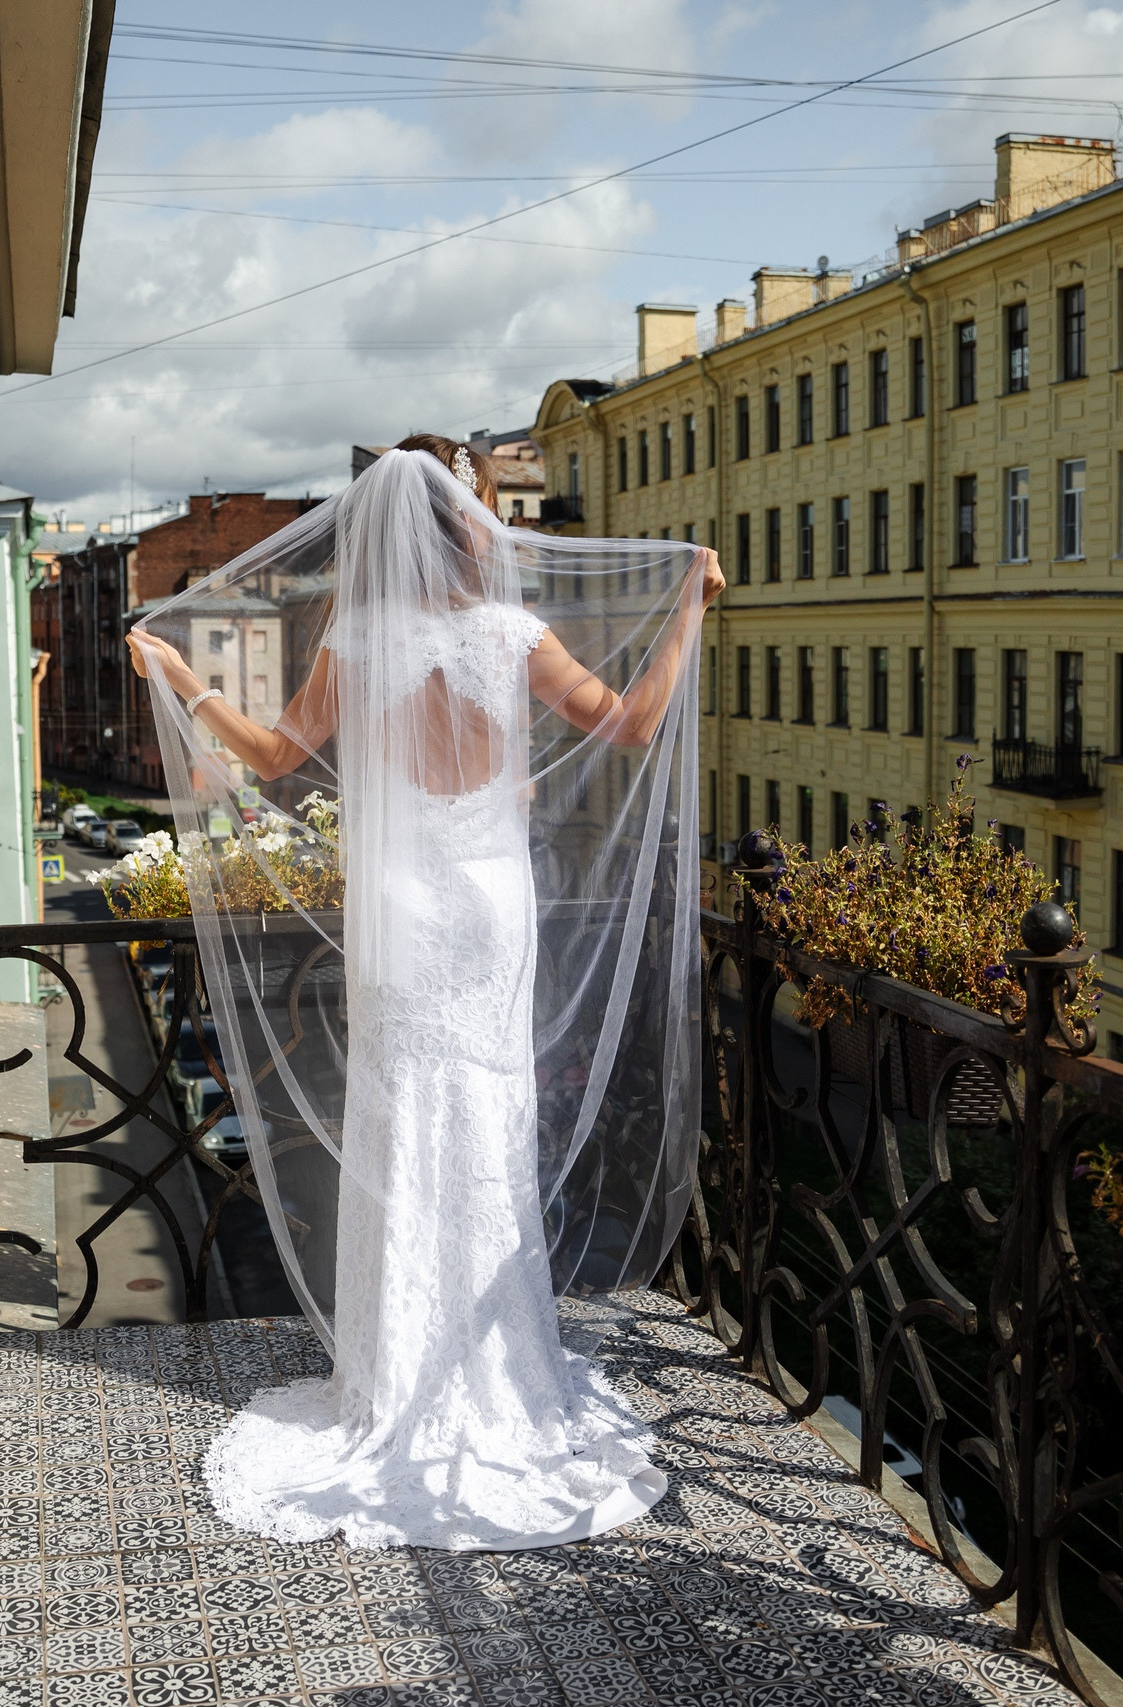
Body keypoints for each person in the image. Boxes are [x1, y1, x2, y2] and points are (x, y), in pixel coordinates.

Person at [125, 434, 722, 1551]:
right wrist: (688, 603)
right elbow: (635, 727)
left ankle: (390, 1380)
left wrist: (186, 679)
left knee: (398, 1122)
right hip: (489, 904)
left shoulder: (359, 638)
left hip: (400, 906)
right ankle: (497, 1371)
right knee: (486, 1115)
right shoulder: (514, 635)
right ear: (472, 528)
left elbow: (270, 756)